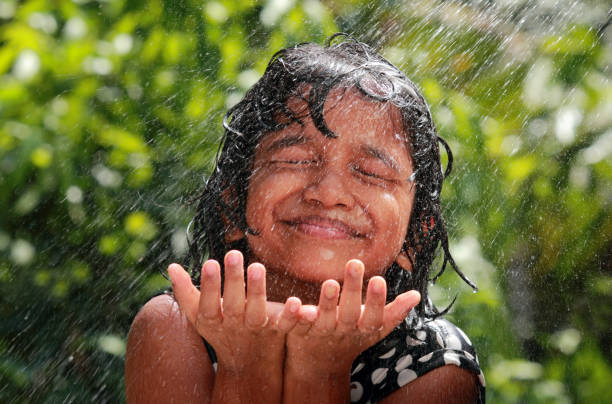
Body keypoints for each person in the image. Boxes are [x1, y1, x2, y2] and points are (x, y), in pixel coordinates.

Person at [125, 34, 485, 403]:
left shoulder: (434, 365)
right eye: (295, 159)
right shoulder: (176, 326)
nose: (328, 193)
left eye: (372, 173)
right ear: (233, 204)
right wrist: (245, 363)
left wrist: (321, 370)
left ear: (415, 237)